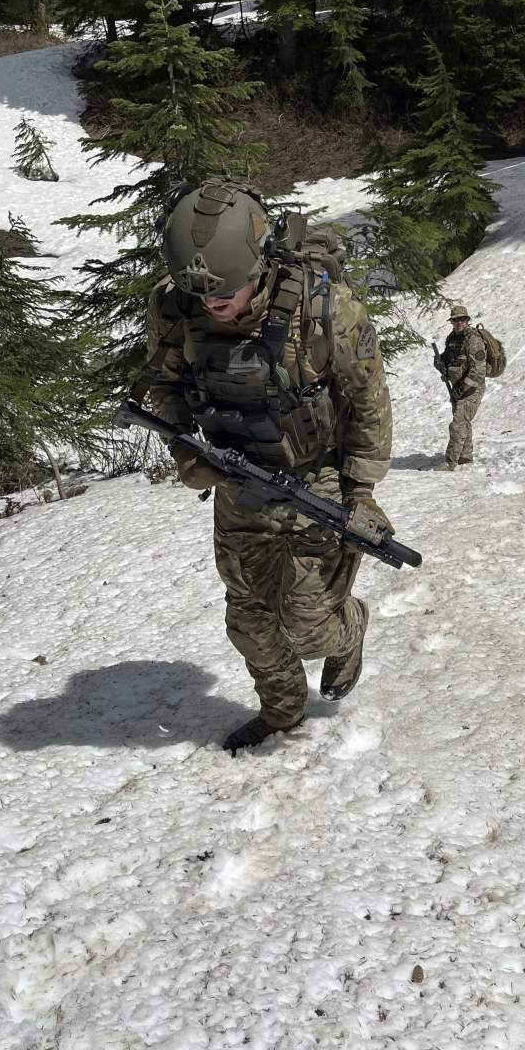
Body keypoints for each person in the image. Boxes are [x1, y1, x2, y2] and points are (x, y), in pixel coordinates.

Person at [141, 181, 393, 753]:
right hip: (235, 476)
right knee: (249, 621)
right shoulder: (174, 305)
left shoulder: (325, 311)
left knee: (307, 624)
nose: (213, 304)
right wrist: (186, 452)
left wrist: (361, 489)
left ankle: (349, 628)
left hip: (316, 477)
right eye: (200, 293)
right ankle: (282, 712)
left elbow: (369, 400)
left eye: (226, 292)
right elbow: (165, 383)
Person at [433, 303, 486, 470]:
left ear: (467, 320)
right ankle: (465, 457)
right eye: (456, 320)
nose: (459, 323)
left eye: (462, 320)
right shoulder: (452, 339)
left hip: (472, 389)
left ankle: (450, 462)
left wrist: (463, 388)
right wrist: (439, 363)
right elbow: (447, 359)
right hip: (457, 389)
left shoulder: (473, 340)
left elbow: (478, 370)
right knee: (463, 422)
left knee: (458, 424)